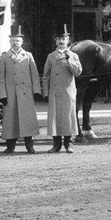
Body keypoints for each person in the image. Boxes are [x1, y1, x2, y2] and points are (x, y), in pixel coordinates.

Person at [0, 25, 42, 154]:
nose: (15, 43)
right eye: (13, 41)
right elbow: (1, 78)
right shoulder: (5, 57)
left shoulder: (28, 56)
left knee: (27, 120)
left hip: (25, 94)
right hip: (10, 94)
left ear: (22, 42)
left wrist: (36, 91)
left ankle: (29, 146)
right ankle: (10, 146)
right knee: (11, 121)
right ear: (9, 42)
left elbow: (34, 74)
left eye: (18, 41)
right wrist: (2, 95)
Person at [42, 24, 82, 153]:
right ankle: (56, 144)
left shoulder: (74, 56)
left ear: (68, 40)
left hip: (68, 91)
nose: (61, 41)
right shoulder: (51, 56)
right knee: (55, 118)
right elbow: (46, 75)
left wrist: (69, 59)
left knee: (68, 117)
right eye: (58, 39)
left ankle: (68, 144)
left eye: (63, 39)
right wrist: (45, 92)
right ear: (55, 41)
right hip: (55, 92)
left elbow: (78, 72)